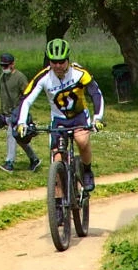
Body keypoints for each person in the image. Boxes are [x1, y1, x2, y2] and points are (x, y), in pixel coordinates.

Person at [14, 38, 104, 190]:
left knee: (81, 141)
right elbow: (26, 99)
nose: (58, 66)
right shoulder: (43, 77)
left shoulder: (79, 74)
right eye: (53, 62)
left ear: (67, 60)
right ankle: (57, 203)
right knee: (56, 159)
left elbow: (96, 94)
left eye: (61, 62)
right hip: (58, 120)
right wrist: (21, 122)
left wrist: (97, 118)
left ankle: (87, 171)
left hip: (79, 116)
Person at [0, 51, 39, 172]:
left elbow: (28, 95)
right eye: (2, 65)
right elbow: (3, 95)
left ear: (13, 64)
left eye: (6, 65)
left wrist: (22, 112)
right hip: (7, 113)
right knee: (18, 138)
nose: (4, 68)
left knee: (11, 135)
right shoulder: (2, 77)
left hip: (17, 113)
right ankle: (34, 159)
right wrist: (2, 113)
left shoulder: (20, 77)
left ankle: (9, 163)